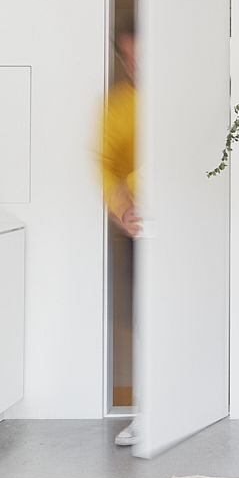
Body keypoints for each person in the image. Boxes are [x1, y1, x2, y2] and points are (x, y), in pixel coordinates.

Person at [101, 23, 140, 446]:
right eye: (127, 59)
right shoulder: (120, 105)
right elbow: (105, 163)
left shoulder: (186, 95)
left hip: (191, 229)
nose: (134, 67)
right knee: (144, 321)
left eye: (141, 57)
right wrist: (121, 208)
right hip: (139, 231)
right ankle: (147, 414)